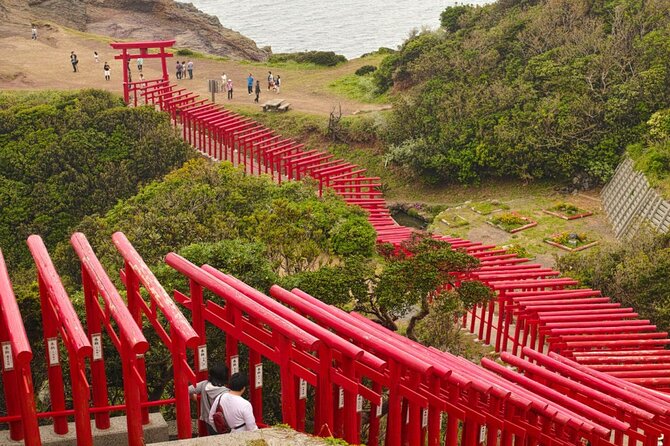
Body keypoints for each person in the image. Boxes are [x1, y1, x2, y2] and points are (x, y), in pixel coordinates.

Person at [189, 364, 229, 436]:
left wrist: (194, 398)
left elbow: (187, 390)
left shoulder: (204, 384)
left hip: (209, 422)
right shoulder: (226, 392)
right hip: (224, 423)